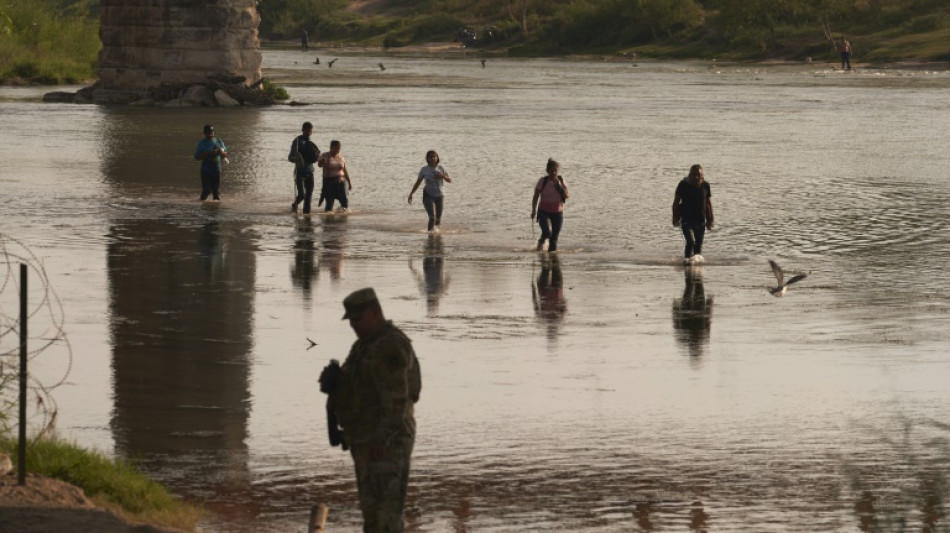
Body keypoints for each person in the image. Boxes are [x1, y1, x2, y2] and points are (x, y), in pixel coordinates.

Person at [323, 288, 421, 533]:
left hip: (386, 444)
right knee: (372, 516)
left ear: (375, 312)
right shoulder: (363, 346)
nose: (354, 325)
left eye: (358, 319)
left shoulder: (390, 345)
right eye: (351, 320)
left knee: (387, 517)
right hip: (366, 440)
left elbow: (398, 399)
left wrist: (382, 438)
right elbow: (355, 385)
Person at [672, 164, 714, 264]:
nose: (695, 177)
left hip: (700, 220)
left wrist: (710, 220)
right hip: (686, 220)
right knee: (690, 242)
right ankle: (686, 262)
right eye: (693, 175)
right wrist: (675, 217)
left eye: (698, 175)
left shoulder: (705, 185)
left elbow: (708, 204)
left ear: (702, 177)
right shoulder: (683, 185)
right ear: (689, 175)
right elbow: (676, 202)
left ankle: (696, 268)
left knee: (698, 246)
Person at [530, 158, 569, 252]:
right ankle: (541, 241)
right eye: (551, 171)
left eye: (555, 171)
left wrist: (559, 187)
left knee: (554, 240)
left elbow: (567, 195)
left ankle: (553, 260)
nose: (554, 173)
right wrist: (533, 211)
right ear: (547, 171)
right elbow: (535, 197)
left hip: (558, 213)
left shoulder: (560, 180)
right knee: (547, 233)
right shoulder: (542, 181)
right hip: (544, 211)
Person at [408, 150, 452, 232]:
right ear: (427, 158)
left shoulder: (441, 168)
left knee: (438, 219)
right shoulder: (424, 170)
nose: (432, 158)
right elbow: (418, 183)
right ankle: (430, 236)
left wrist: (442, 176)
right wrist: (411, 194)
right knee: (432, 217)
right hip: (428, 195)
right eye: (430, 157)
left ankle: (437, 236)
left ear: (437, 158)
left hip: (440, 196)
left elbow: (449, 180)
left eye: (434, 156)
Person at [287, 122, 320, 214]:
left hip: (310, 172)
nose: (309, 133)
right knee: (302, 195)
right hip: (300, 173)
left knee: (309, 196)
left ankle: (307, 216)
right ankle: (294, 205)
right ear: (303, 130)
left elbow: (316, 156)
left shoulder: (311, 143)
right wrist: (296, 159)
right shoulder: (297, 141)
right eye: (307, 131)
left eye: (310, 131)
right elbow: (290, 157)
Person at [193, 124, 228, 201]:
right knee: (207, 190)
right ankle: (200, 203)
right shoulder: (201, 144)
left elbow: (225, 154)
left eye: (212, 132)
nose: (211, 134)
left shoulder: (219, 141)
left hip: (216, 170)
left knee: (216, 193)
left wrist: (221, 152)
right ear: (204, 133)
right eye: (209, 132)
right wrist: (209, 153)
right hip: (206, 170)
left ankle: (215, 211)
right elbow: (196, 157)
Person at [317, 140, 352, 212]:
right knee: (329, 203)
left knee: (344, 201)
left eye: (338, 148)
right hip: (329, 182)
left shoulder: (341, 156)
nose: (337, 150)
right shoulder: (324, 155)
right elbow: (319, 165)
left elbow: (344, 169)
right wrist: (322, 162)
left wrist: (349, 182)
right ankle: (329, 220)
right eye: (335, 148)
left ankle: (342, 220)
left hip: (341, 181)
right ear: (331, 147)